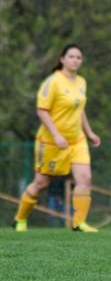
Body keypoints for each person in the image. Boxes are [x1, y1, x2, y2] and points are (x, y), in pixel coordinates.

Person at [14, 44, 102, 232]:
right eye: (71, 56)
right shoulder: (53, 82)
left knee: (85, 178)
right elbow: (42, 110)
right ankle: (20, 218)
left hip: (76, 140)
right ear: (62, 59)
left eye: (79, 57)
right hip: (51, 141)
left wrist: (89, 132)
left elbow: (80, 109)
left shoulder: (81, 82)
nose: (75, 60)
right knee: (41, 183)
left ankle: (79, 223)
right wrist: (56, 135)